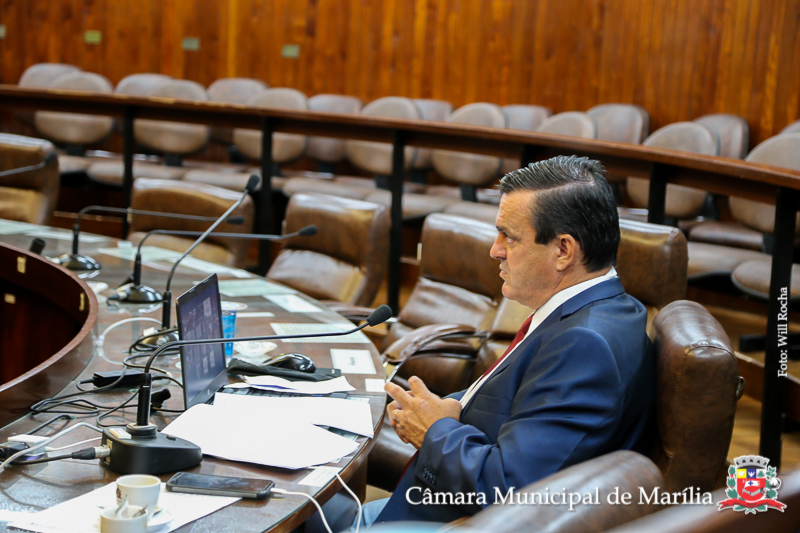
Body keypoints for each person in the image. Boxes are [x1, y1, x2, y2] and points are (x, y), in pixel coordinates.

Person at [309, 155, 655, 531]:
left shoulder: (585, 345)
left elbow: (508, 487)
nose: (495, 249)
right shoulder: (603, 308)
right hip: (432, 504)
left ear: (563, 250)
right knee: (305, 501)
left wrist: (435, 430)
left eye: (509, 236)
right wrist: (442, 408)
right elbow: (513, 404)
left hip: (455, 523)